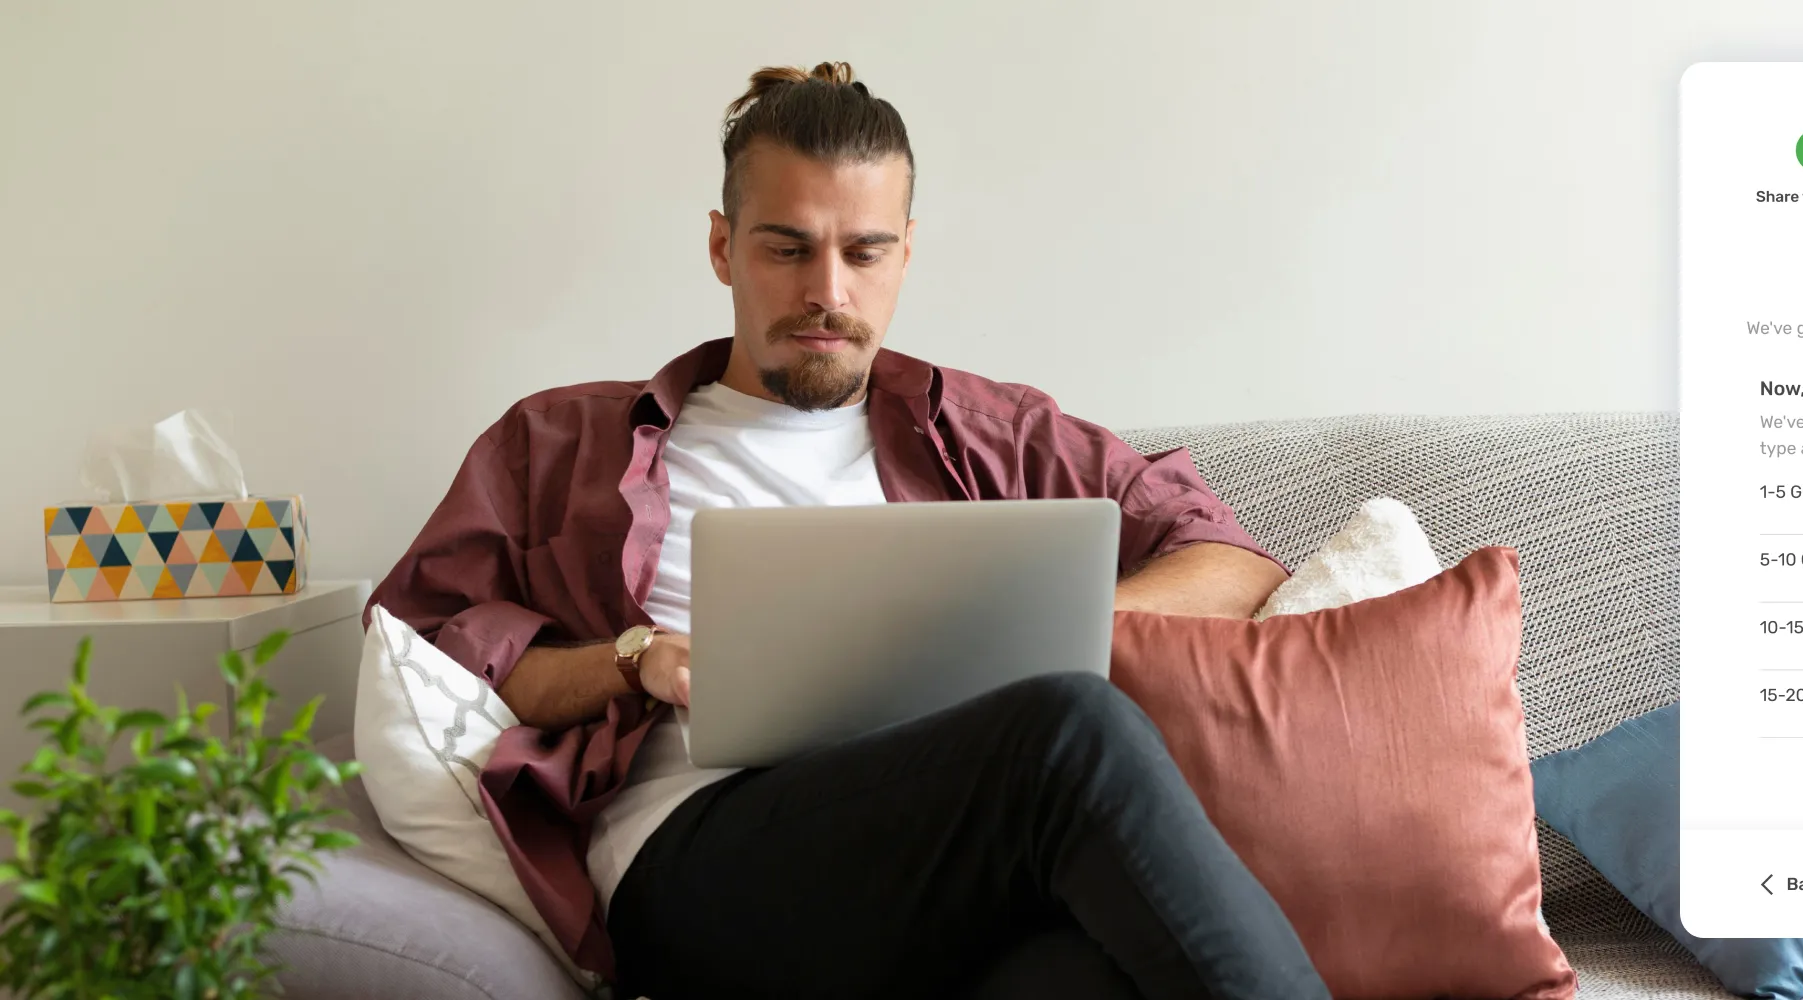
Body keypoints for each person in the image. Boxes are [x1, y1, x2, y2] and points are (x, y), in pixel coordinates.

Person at [369, 61, 1327, 1000]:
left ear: (905, 252)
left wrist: (1044, 632)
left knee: (1089, 974)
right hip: (697, 859)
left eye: (864, 253)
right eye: (788, 250)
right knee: (1071, 731)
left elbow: (1229, 561)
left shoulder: (995, 435)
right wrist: (632, 660)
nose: (827, 292)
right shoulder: (557, 441)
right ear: (722, 247)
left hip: (945, 848)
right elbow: (439, 654)